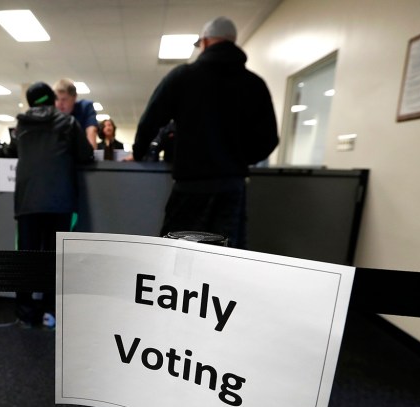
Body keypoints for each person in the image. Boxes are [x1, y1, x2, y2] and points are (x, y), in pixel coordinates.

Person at [132, 16, 278, 248]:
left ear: (206, 42)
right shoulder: (254, 84)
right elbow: (269, 139)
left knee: (178, 255)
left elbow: (150, 121)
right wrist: (238, 160)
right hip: (231, 186)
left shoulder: (182, 77)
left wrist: (139, 154)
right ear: (233, 42)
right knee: (226, 257)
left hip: (190, 187)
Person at [11, 82, 94, 329]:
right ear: (52, 99)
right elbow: (86, 155)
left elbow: (14, 151)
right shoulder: (68, 123)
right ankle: (50, 312)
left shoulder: (21, 125)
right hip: (60, 201)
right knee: (55, 256)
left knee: (26, 257)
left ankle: (25, 314)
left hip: (27, 201)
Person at [54, 78, 99, 149]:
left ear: (74, 97)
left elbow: (91, 133)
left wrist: (91, 155)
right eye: (56, 99)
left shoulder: (85, 108)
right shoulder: (52, 113)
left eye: (64, 99)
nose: (59, 104)